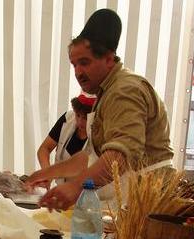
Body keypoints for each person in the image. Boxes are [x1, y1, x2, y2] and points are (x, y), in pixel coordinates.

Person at [27, 8, 174, 211]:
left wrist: (75, 187)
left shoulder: (124, 91)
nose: (78, 72)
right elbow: (91, 157)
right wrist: (46, 173)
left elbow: (119, 156)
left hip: (145, 200)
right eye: (74, 64)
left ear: (108, 58)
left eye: (84, 62)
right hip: (130, 196)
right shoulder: (107, 91)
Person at [37, 93, 96, 169]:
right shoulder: (67, 118)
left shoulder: (100, 132)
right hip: (61, 180)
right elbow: (45, 148)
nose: (80, 122)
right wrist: (46, 172)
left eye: (85, 118)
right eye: (77, 115)